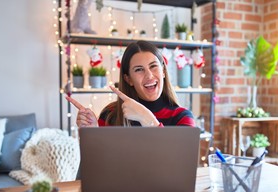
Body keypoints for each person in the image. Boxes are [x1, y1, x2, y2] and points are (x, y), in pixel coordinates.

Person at [66, 40, 195, 128]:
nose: (149, 75)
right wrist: (93, 133)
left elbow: (180, 162)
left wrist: (148, 120)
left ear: (163, 72)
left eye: (153, 66)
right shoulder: (110, 114)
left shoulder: (182, 117)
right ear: (128, 79)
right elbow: (99, 163)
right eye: (139, 69)